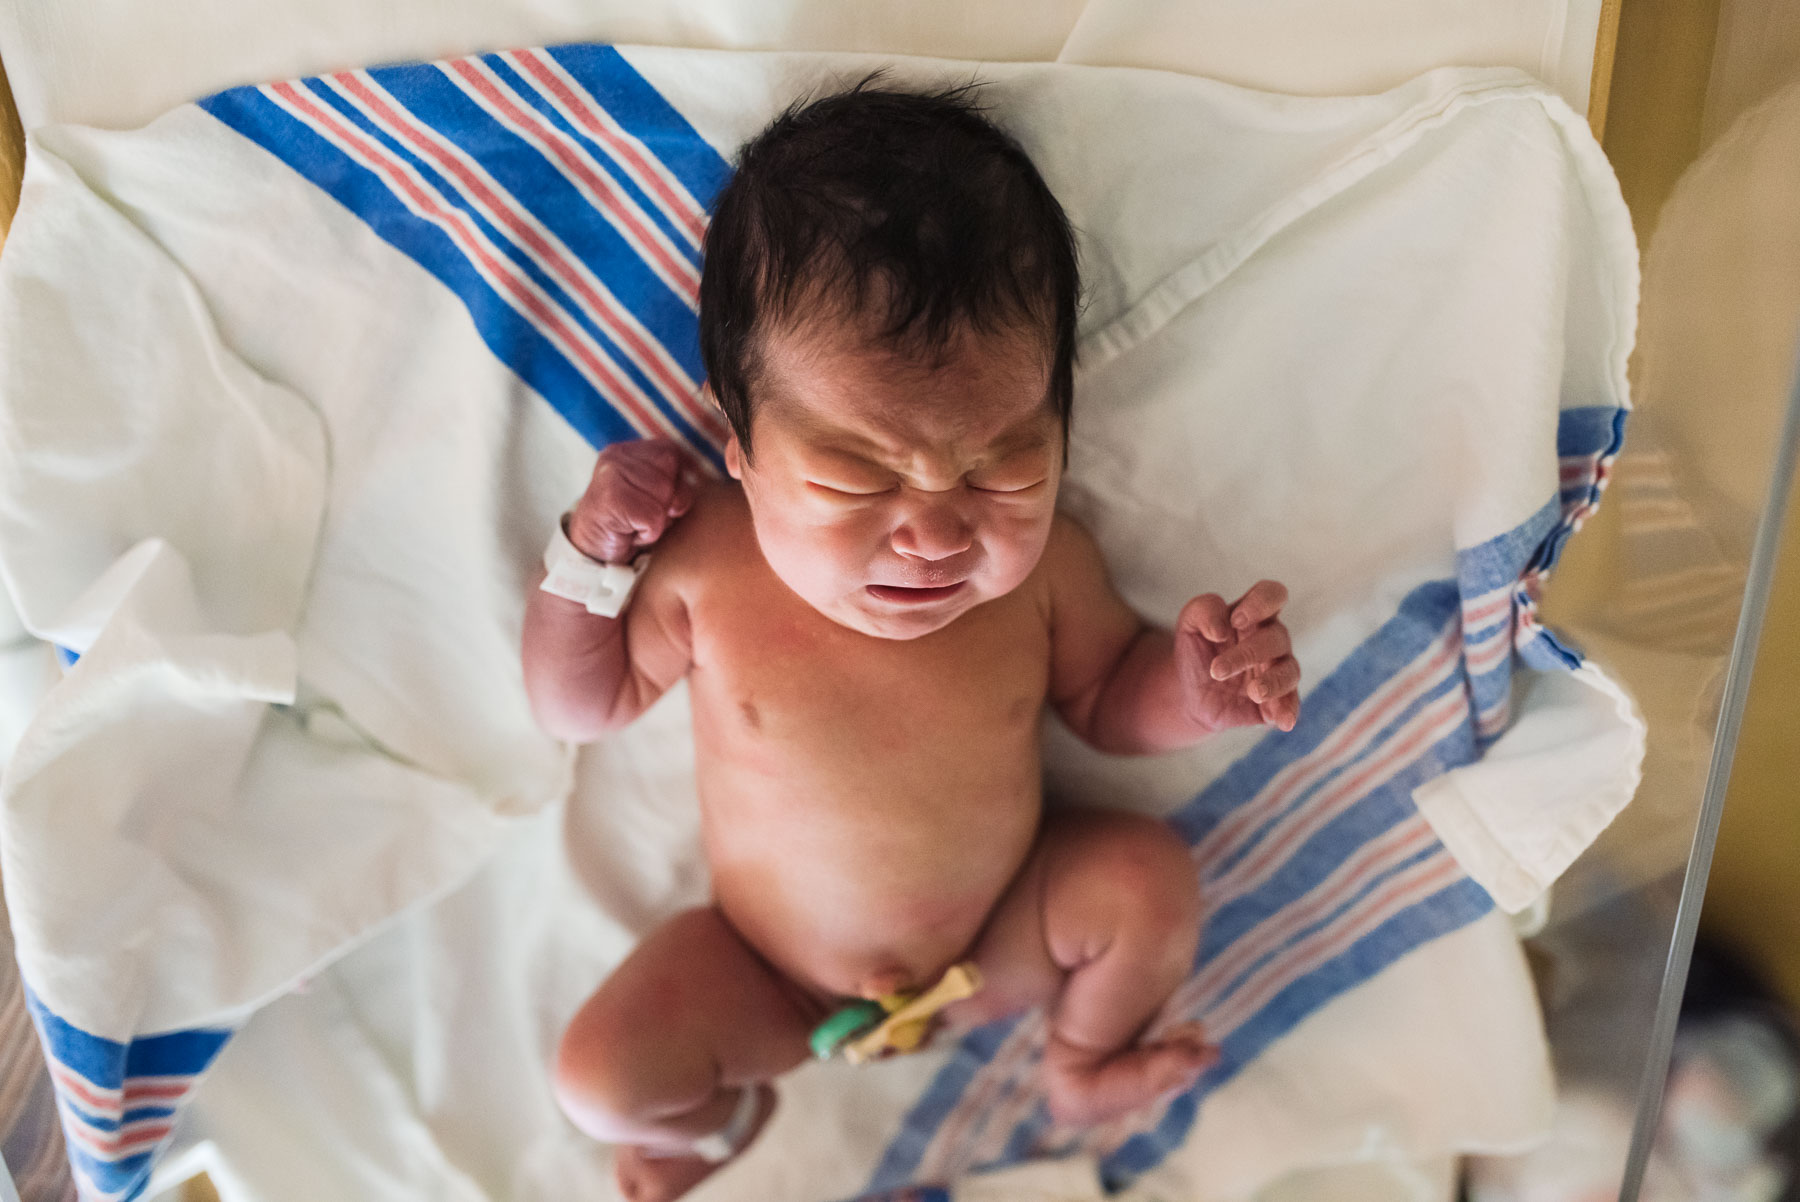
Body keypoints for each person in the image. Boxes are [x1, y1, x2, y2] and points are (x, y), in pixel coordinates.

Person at [521, 79, 1302, 1202]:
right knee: (601, 1078)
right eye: (855, 472)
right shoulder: (708, 567)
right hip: (766, 973)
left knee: (1142, 877)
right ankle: (728, 1115)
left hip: (997, 947)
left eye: (1001, 465)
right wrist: (587, 560)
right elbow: (575, 706)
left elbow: (1106, 703)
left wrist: (1193, 691)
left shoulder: (1053, 575)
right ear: (738, 443)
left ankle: (1080, 1061)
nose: (936, 530)